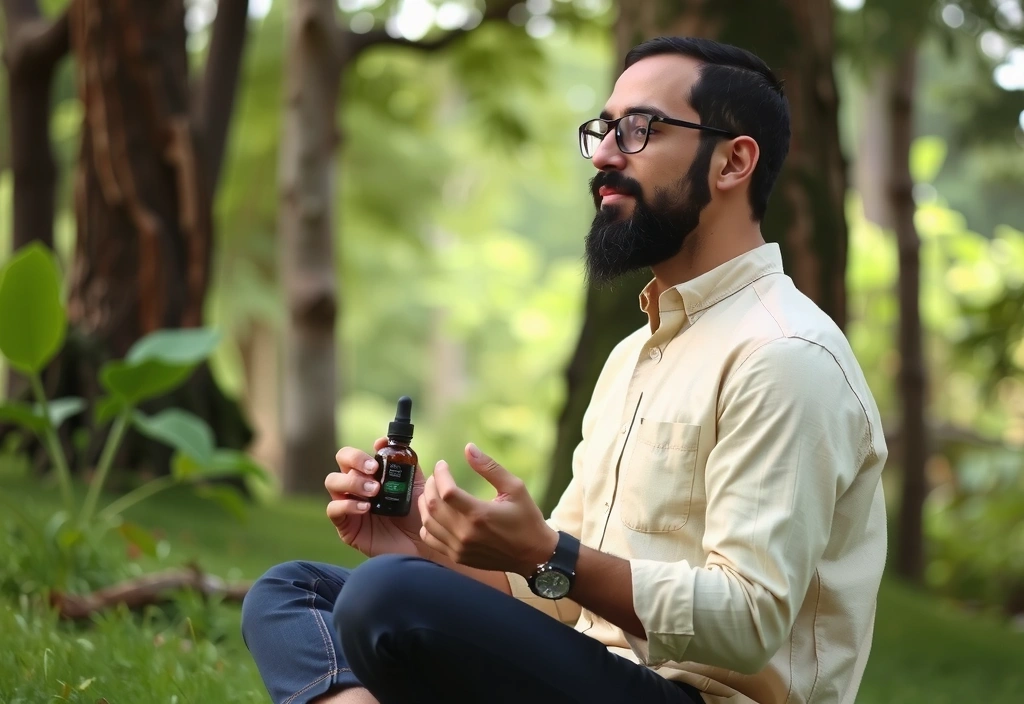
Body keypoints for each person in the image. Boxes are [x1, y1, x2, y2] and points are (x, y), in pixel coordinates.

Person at [241, 36, 888, 704]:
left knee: (387, 598)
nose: (605, 154)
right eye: (604, 129)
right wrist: (427, 547)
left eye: (639, 129)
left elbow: (750, 622)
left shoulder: (785, 355)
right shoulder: (632, 357)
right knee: (294, 592)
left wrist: (551, 552)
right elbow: (560, 601)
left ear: (733, 161)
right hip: (601, 674)